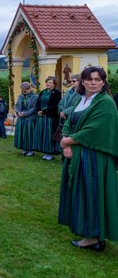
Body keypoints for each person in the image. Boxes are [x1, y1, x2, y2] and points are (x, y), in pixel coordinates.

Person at [58, 66, 118, 251]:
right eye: (90, 79)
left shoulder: (105, 102)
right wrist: (66, 143)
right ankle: (85, 229)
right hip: (78, 153)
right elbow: (69, 122)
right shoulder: (82, 100)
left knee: (92, 192)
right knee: (81, 192)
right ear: (83, 81)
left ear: (103, 82)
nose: (93, 82)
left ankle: (94, 236)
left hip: (94, 157)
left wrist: (67, 140)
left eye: (98, 79)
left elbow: (94, 129)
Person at [34, 76, 62, 161]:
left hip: (50, 117)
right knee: (42, 134)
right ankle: (45, 151)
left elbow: (55, 106)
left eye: (50, 82)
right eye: (47, 82)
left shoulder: (57, 93)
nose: (48, 84)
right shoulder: (43, 92)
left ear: (54, 84)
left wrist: (44, 111)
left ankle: (50, 153)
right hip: (41, 117)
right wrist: (38, 110)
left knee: (49, 134)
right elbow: (38, 103)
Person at [14, 82, 38, 156]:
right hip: (21, 118)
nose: (24, 92)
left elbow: (34, 108)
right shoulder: (20, 96)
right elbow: (16, 105)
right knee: (21, 133)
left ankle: (30, 150)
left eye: (25, 90)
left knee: (29, 134)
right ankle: (24, 148)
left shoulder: (35, 97)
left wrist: (25, 113)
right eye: (22, 90)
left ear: (29, 89)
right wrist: (18, 112)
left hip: (29, 118)